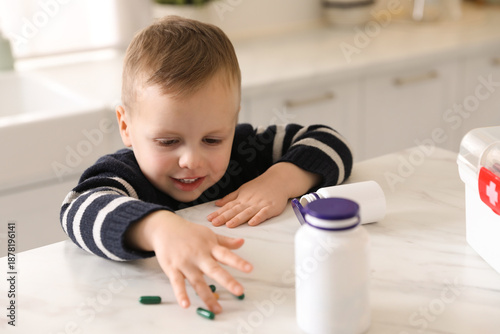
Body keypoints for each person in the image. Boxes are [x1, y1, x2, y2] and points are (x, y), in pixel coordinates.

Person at [60, 16, 353, 314]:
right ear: (126, 126)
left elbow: (329, 141)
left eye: (212, 140)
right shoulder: (125, 174)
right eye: (167, 141)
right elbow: (77, 209)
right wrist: (158, 229)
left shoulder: (245, 149)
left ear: (232, 121)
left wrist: (280, 180)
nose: (191, 160)